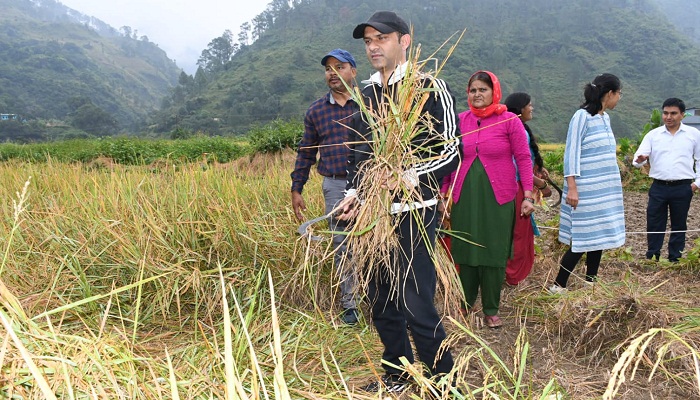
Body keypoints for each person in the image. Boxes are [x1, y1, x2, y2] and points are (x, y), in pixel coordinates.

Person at [336, 11, 460, 394]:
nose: (373, 46)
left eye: (381, 38)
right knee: (381, 300)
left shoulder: (428, 86)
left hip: (412, 213)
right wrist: (354, 196)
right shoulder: (366, 94)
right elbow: (359, 154)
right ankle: (399, 373)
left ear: (404, 41)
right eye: (368, 41)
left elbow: (452, 149)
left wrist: (407, 176)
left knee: (415, 301)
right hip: (372, 219)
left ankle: (443, 380)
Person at [441, 71, 534, 329]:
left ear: (494, 91)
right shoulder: (459, 122)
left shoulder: (509, 121)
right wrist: (444, 193)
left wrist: (527, 193)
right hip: (464, 196)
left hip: (500, 196)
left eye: (483, 89)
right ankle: (465, 303)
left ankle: (491, 309)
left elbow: (524, 159)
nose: (477, 94)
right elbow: (450, 161)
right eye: (473, 90)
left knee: (494, 251)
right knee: (465, 249)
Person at [290, 48, 359, 325]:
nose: (332, 73)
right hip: (335, 185)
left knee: (378, 239)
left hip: (371, 183)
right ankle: (350, 304)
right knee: (342, 243)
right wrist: (297, 188)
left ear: (353, 71)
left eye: (339, 67)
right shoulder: (317, 111)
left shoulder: (370, 103)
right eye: (328, 68)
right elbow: (306, 151)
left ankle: (383, 299)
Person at [549, 73, 625, 293]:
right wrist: (572, 187)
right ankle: (558, 285)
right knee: (582, 238)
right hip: (585, 190)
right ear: (609, 93)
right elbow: (571, 153)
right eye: (619, 94)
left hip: (604, 191)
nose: (619, 98)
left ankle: (590, 282)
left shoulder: (605, 118)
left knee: (598, 236)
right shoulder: (582, 116)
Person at [632, 98, 700, 262]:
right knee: (654, 221)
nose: (669, 117)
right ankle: (652, 256)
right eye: (665, 113)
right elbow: (637, 160)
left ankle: (675, 258)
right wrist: (641, 159)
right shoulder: (653, 135)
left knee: (679, 224)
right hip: (659, 186)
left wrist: (696, 184)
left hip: (683, 186)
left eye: (673, 113)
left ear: (682, 115)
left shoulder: (694, 135)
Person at [503, 92, 551, 286]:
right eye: (529, 105)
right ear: (521, 108)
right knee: (519, 233)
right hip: (517, 189)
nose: (532, 108)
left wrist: (538, 168)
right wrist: (541, 184)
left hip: (516, 188)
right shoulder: (517, 128)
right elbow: (517, 164)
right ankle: (513, 275)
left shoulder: (514, 126)